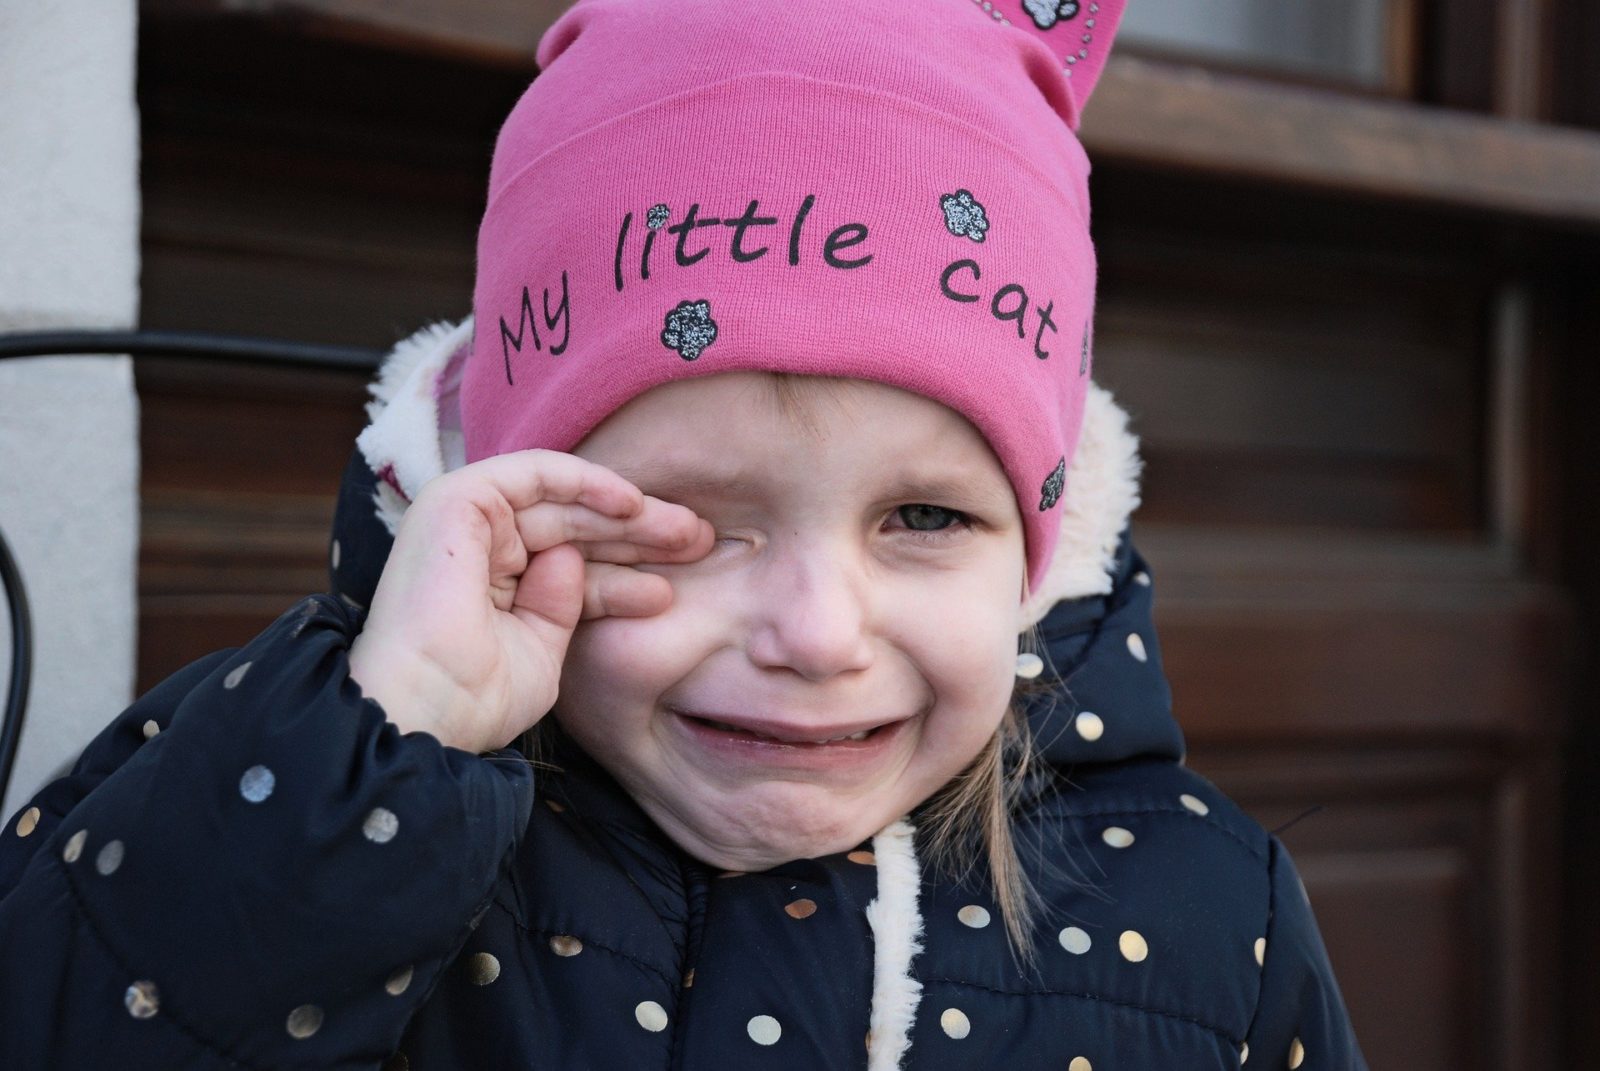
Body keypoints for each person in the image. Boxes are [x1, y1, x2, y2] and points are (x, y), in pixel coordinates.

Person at [0, 0, 1369, 1067]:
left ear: (1036, 542)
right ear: (514, 490)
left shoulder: (1207, 914)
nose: (820, 634)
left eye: (926, 515)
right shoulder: (293, 795)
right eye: (694, 523)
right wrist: (383, 750)